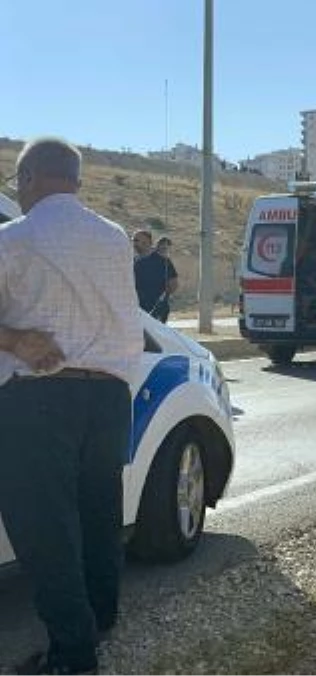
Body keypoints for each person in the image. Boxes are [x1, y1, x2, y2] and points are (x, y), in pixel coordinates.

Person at [0, 137, 142, 675]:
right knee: (98, 515)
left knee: (45, 529)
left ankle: (73, 656)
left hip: (39, 398)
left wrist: (13, 340)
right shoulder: (114, 237)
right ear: (76, 181)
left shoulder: (12, 239)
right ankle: (100, 621)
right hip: (108, 396)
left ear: (30, 177)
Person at [132, 229, 178, 322]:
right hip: (137, 309)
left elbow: (173, 284)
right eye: (133, 240)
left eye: (136, 240)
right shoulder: (133, 261)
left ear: (147, 242)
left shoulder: (163, 261)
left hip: (157, 310)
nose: (134, 243)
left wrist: (162, 299)